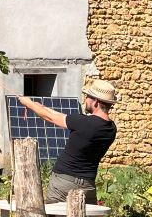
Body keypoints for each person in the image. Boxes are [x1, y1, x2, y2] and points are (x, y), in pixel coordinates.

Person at [17, 78, 118, 206]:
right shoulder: (111, 128)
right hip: (88, 185)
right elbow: (57, 115)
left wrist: (29, 103)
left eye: (87, 97)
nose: (85, 100)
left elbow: (51, 118)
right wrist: (39, 106)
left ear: (96, 102)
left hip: (63, 182)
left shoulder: (84, 122)